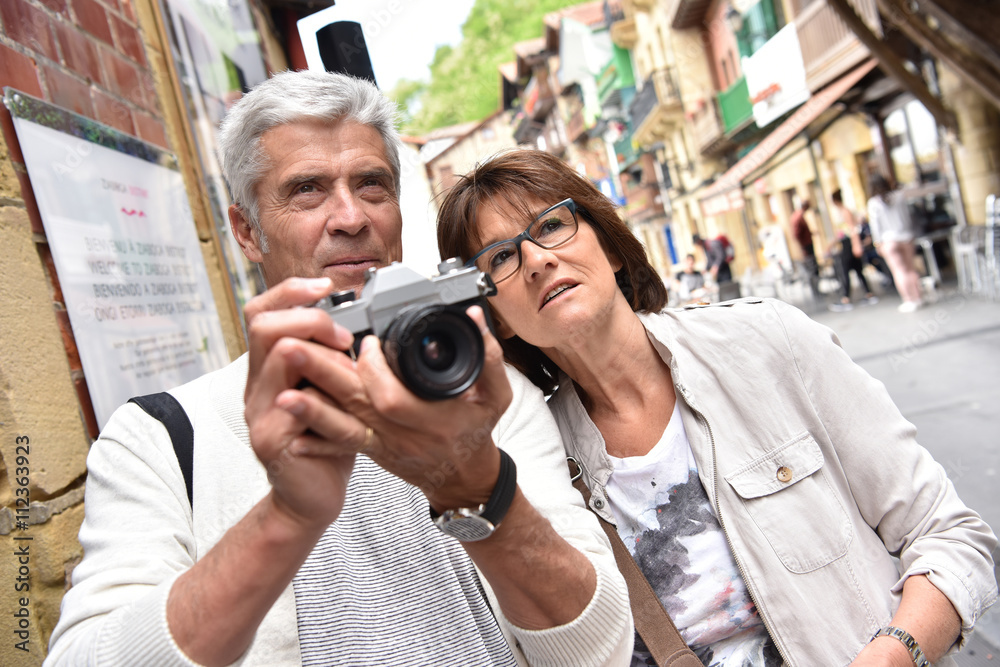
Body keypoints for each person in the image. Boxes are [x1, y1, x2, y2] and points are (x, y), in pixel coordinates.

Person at [44, 72, 632, 666]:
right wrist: (286, 518)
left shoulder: (485, 392)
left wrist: (482, 491)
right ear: (247, 232)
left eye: (372, 185)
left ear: (400, 214)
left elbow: (601, 651)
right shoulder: (161, 439)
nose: (351, 217)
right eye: (307, 190)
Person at [437, 148, 998, 667]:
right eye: (502, 257)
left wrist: (895, 654)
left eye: (552, 225)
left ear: (607, 246)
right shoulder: (531, 461)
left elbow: (950, 536)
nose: (536, 259)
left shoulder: (768, 341)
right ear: (497, 316)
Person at [867, 173, 924, 313]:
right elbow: (907, 216)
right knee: (911, 269)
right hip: (906, 236)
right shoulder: (900, 196)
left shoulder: (874, 203)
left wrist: (877, 243)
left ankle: (908, 300)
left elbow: (875, 226)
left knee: (899, 271)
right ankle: (918, 297)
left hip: (889, 240)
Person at [828, 189, 877, 311]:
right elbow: (840, 232)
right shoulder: (841, 212)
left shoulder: (845, 211)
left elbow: (852, 229)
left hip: (849, 244)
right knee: (857, 269)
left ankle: (846, 299)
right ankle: (868, 294)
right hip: (846, 243)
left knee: (845, 270)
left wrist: (856, 245)